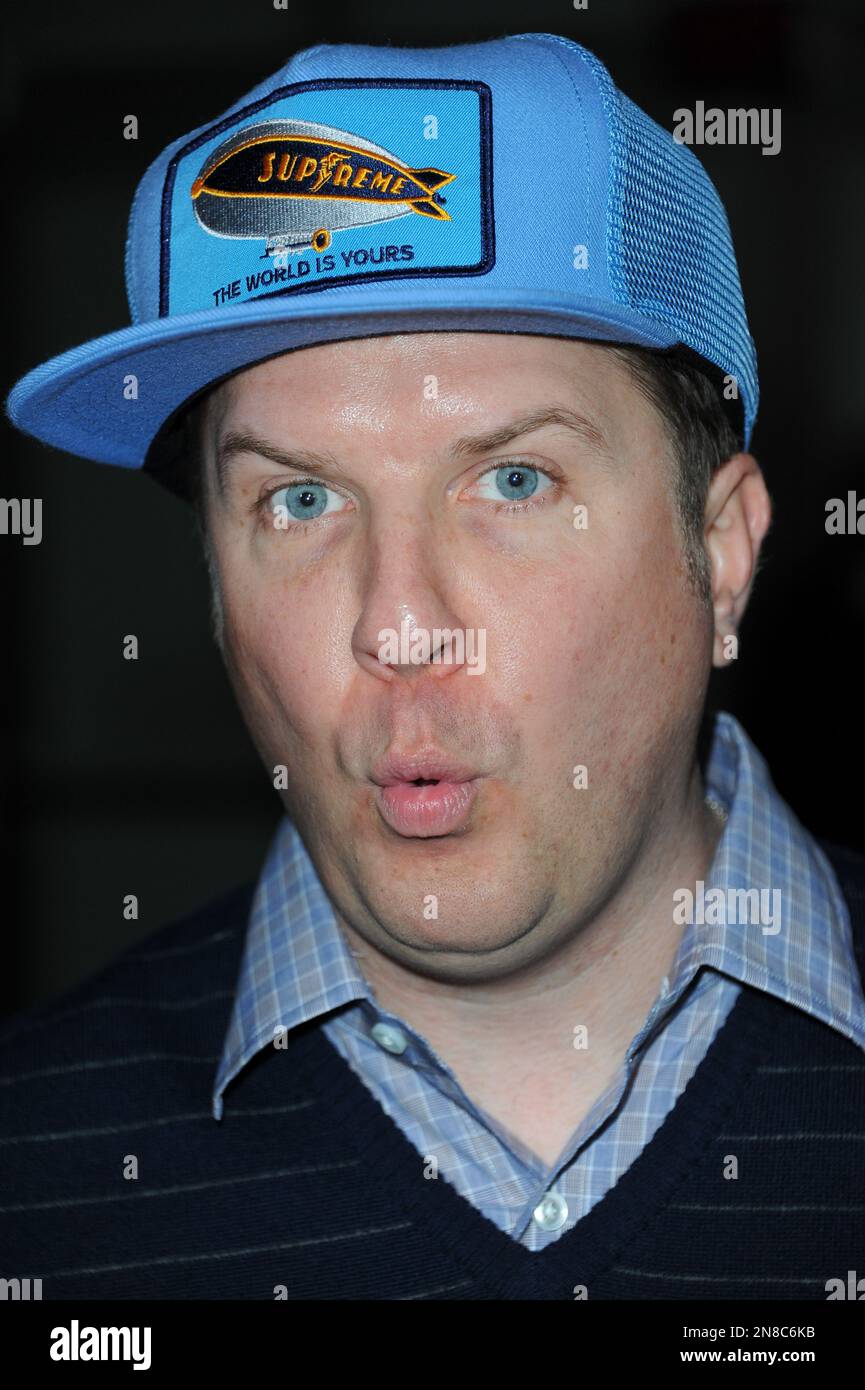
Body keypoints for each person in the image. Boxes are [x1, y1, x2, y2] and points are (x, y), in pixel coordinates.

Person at [2, 31, 864, 1302]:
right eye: (298, 502)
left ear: (720, 554)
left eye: (513, 481)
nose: (399, 626)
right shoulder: (38, 1185)